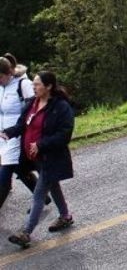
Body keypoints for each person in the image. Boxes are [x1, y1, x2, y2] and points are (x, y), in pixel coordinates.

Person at [3, 71, 75, 248]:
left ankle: (26, 232)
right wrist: (8, 132)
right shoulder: (31, 104)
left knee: (39, 194)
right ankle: (65, 216)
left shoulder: (60, 107)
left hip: (51, 157)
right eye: (33, 84)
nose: (33, 87)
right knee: (53, 185)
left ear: (48, 86)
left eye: (37, 84)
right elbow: (22, 125)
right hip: (33, 158)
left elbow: (64, 134)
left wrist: (41, 144)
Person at [0, 57, 48, 215]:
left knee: (5, 174)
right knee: (20, 169)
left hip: (18, 136)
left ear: (9, 73)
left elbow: (33, 107)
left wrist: (19, 128)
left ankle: (42, 196)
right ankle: (41, 196)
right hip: (4, 137)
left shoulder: (23, 84)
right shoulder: (2, 88)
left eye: (0, 77)